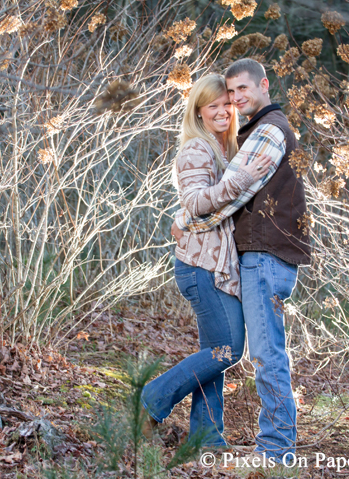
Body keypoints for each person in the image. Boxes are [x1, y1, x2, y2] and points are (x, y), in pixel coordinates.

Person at [173, 59, 312, 462]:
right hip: (249, 258)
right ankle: (207, 438)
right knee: (229, 350)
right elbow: (225, 190)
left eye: (240, 92)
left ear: (264, 85)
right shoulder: (242, 135)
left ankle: (276, 448)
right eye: (229, 94)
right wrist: (189, 213)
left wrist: (184, 218)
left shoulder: (268, 130)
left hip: (266, 256)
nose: (234, 101)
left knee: (263, 353)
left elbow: (232, 194)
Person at [140, 74, 274, 447]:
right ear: (199, 112)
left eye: (226, 104)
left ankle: (207, 439)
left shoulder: (226, 149)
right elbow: (196, 202)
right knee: (227, 350)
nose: (222, 111)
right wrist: (242, 179)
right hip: (201, 267)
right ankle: (151, 400)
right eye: (212, 105)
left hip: (214, 266)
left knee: (213, 352)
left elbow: (202, 210)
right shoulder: (197, 150)